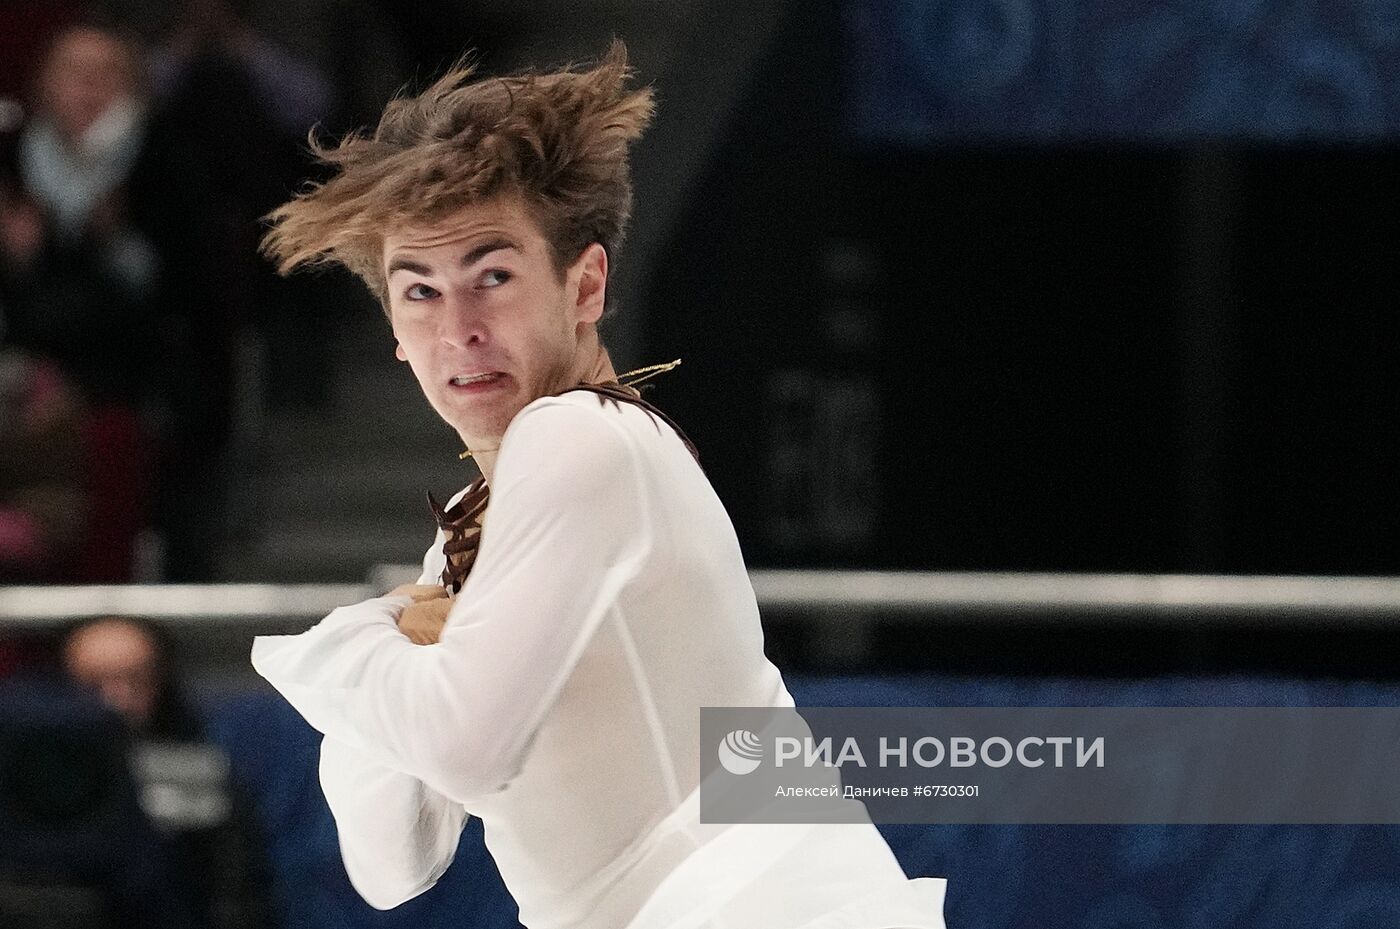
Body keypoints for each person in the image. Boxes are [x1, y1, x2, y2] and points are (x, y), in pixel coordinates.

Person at [249, 44, 948, 929]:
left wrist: (328, 646)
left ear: (584, 285)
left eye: (492, 276)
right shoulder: (473, 523)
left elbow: (463, 747)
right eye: (420, 291)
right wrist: (399, 641)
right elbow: (393, 861)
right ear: (392, 326)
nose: (459, 329)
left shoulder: (581, 438)